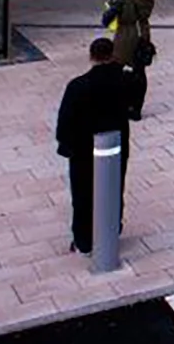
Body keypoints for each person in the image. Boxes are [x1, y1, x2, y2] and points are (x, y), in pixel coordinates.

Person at [55, 37, 129, 254]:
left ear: (91, 56)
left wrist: (65, 144)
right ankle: (111, 231)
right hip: (115, 146)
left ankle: (84, 240)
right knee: (114, 189)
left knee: (83, 195)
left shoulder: (78, 86)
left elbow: (65, 120)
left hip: (84, 149)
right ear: (112, 55)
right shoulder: (124, 80)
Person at [109, 0, 157, 120]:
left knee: (116, 68)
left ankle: (119, 103)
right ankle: (137, 108)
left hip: (127, 33)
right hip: (143, 31)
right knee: (139, 71)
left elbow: (114, 16)